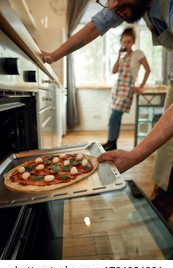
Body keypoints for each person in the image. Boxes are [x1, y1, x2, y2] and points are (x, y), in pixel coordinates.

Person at [42, 0, 173, 221]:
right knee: (167, 152)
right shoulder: (124, 3)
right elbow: (96, 25)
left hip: (127, 92)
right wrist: (53, 56)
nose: (111, 6)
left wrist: (134, 156)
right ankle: (161, 204)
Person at [102, 27, 150, 151]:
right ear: (121, 43)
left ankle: (111, 142)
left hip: (127, 90)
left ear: (133, 42)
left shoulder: (138, 54)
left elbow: (147, 70)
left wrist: (141, 86)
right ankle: (112, 143)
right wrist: (119, 55)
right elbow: (114, 71)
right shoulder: (122, 57)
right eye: (124, 42)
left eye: (129, 42)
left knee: (114, 117)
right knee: (116, 119)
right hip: (117, 90)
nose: (126, 44)